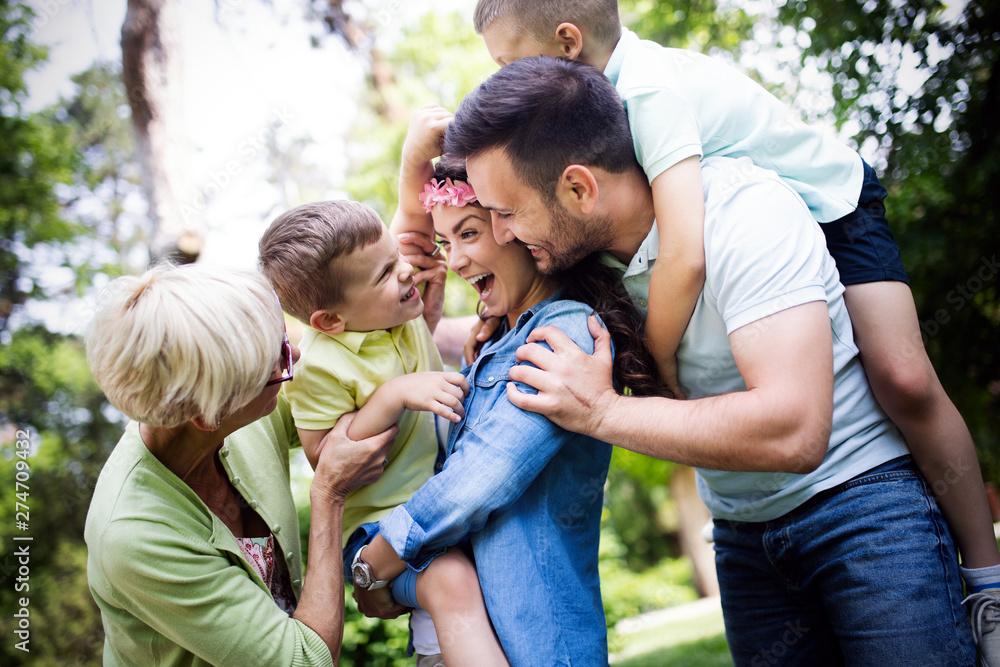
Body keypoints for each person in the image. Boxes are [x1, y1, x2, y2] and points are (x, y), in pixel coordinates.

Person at [469, 2, 1000, 641]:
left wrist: (653, 372)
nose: (503, 81)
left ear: (568, 43)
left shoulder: (654, 99)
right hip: (745, 527)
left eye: (508, 64)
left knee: (905, 379)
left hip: (838, 199)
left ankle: (988, 575)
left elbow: (686, 254)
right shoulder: (583, 142)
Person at [349, 105, 662, 667]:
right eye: (445, 242)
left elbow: (477, 480)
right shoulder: (494, 343)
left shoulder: (564, 332)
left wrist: (375, 561)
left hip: (536, 645)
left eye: (469, 233)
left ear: (514, 226)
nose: (456, 259)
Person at [83, 263, 396, 666]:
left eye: (283, 339)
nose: (296, 355)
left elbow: (349, 390)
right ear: (209, 414)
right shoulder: (134, 537)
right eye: (278, 359)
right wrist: (329, 493)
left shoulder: (234, 406)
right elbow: (307, 661)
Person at [257, 200, 507, 667]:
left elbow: (415, 215)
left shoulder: (395, 312)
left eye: (396, 257)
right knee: (451, 582)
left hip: (441, 502)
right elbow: (326, 457)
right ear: (330, 321)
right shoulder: (320, 367)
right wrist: (393, 396)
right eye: (385, 273)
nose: (406, 271)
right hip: (379, 527)